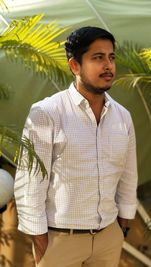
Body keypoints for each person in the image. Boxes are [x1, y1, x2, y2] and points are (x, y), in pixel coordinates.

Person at [14, 26, 138, 267]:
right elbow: (30, 182)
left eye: (111, 58)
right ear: (74, 66)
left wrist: (122, 225)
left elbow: (128, 174)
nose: (108, 66)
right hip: (60, 239)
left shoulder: (123, 116)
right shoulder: (46, 112)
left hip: (108, 238)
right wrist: (40, 240)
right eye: (98, 58)